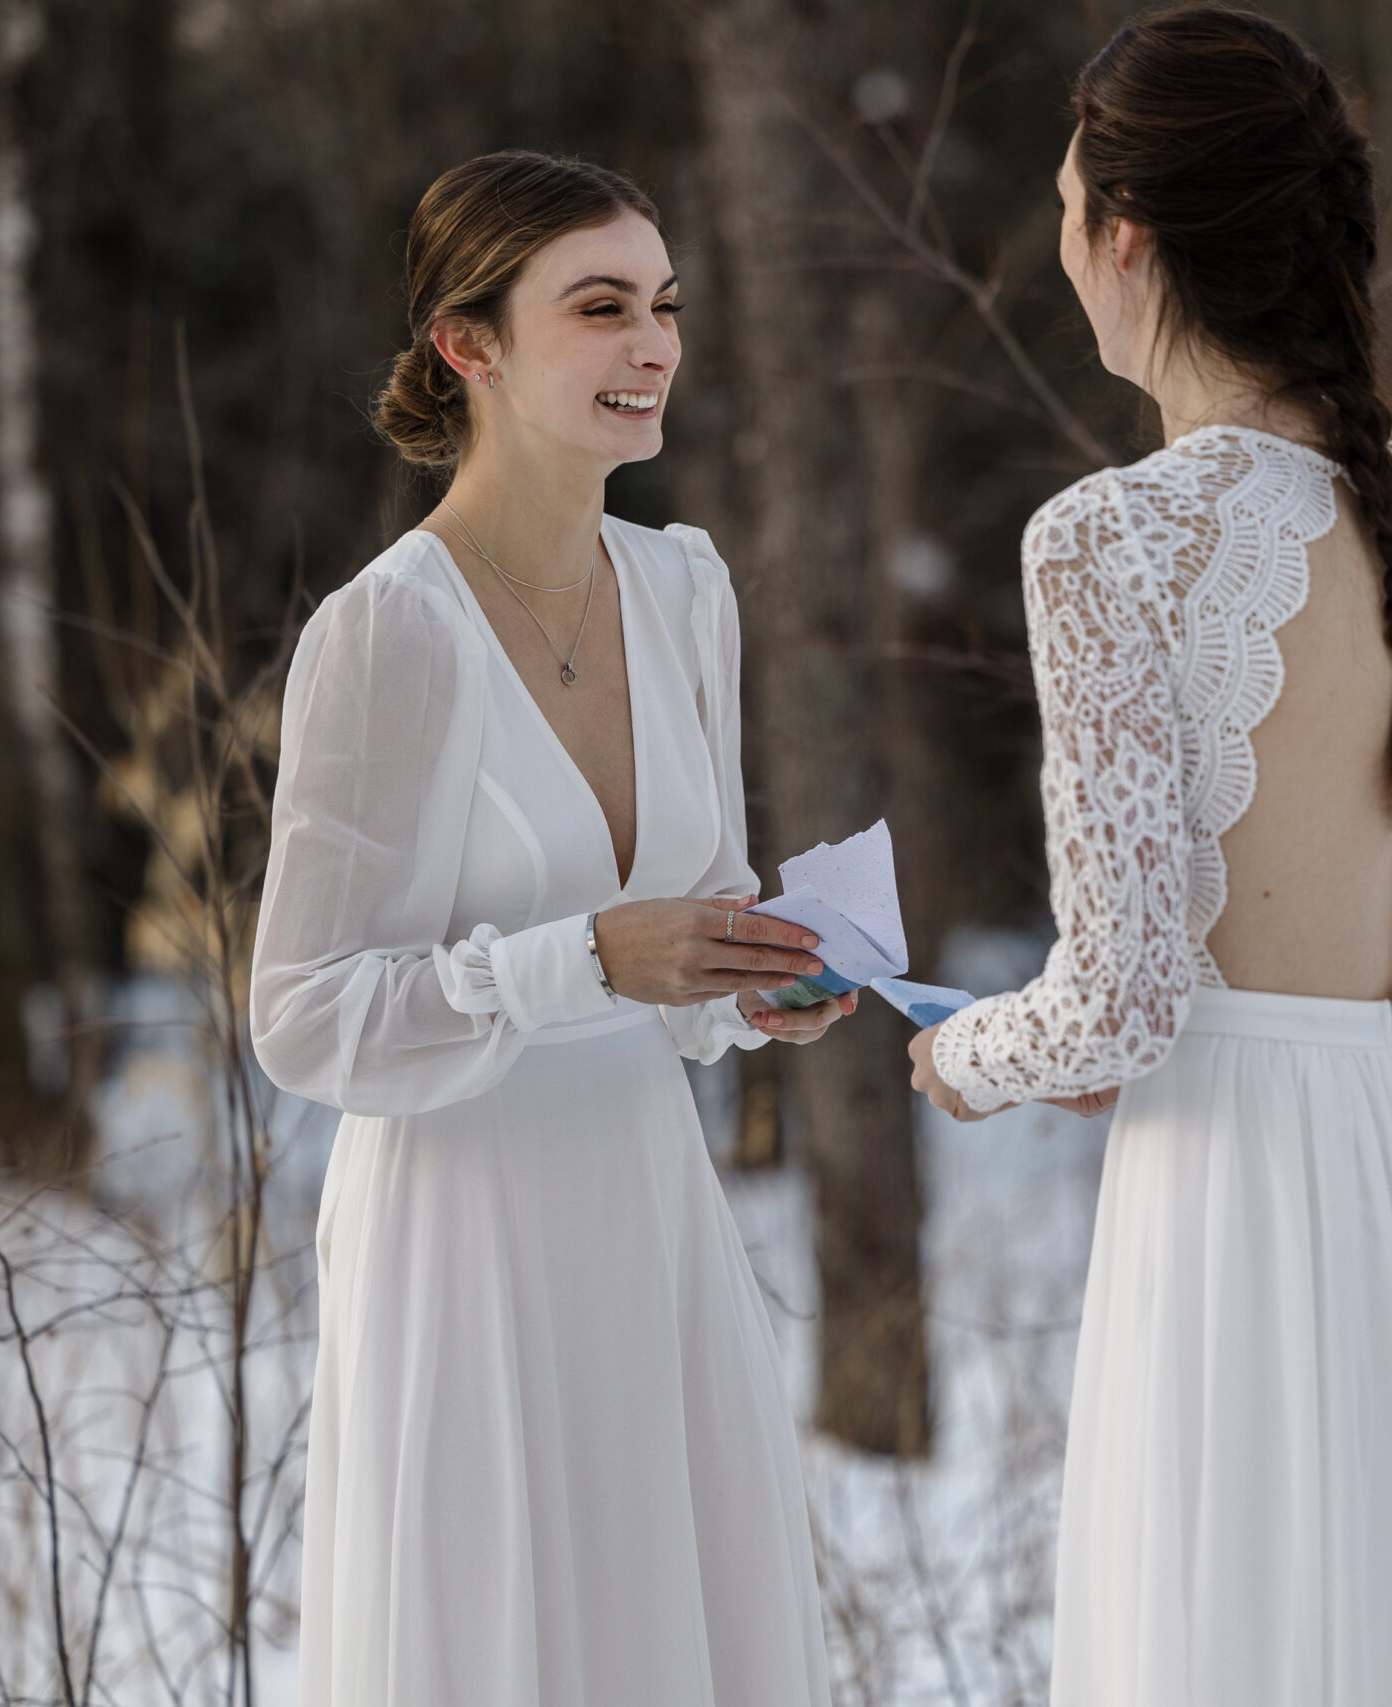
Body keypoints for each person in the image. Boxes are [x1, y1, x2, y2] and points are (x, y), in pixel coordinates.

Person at [908, 9, 1392, 1703]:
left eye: (1067, 213)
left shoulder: (1112, 541)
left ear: (1125, 238)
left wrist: (961, 1053)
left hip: (1249, 1195)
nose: (1063, 253)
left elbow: (1125, 1002)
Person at [250, 151, 841, 1707]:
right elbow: (304, 1016)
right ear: (472, 345)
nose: (652, 345)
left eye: (663, 306)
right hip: (466, 1232)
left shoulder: (684, 587)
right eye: (599, 308)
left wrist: (746, 988)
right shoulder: (390, 632)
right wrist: (582, 959)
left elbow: (679, 945)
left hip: (649, 1209)